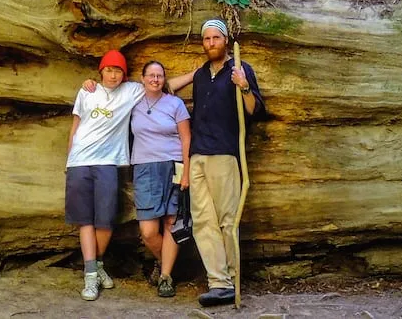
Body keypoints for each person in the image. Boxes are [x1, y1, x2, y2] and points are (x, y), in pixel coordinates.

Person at [185, 18, 265, 307]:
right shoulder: (201, 76)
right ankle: (218, 283)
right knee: (202, 222)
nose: (210, 44)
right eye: (206, 39)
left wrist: (244, 87)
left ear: (226, 40)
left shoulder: (241, 69)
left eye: (215, 38)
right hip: (198, 155)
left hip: (224, 154)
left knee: (227, 220)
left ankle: (233, 279)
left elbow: (256, 110)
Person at [66, 49, 144, 301]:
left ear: (124, 73)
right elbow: (75, 127)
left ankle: (96, 264)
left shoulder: (131, 91)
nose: (113, 75)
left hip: (108, 162)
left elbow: (160, 83)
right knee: (84, 219)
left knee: (106, 220)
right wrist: (69, 160)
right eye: (109, 70)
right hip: (80, 161)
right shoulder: (87, 91)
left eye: (118, 70)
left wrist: (194, 73)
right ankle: (91, 275)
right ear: (100, 72)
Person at [130, 60, 190, 298]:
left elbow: (187, 138)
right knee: (147, 230)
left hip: (173, 165)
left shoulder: (174, 103)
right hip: (144, 168)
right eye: (151, 76)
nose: (155, 79)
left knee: (171, 221)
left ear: (164, 79)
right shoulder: (133, 102)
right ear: (142, 78)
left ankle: (165, 276)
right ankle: (172, 265)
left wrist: (186, 171)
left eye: (160, 76)